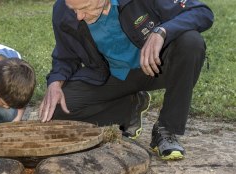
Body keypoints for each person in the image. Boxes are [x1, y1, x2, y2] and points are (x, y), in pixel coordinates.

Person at [39, 0, 214, 160]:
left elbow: (202, 12)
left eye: (84, 8)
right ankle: (129, 107)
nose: (78, 16)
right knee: (56, 111)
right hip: (114, 76)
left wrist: (162, 32)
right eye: (74, 9)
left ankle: (166, 128)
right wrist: (55, 83)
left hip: (157, 67)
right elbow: (65, 55)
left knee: (191, 42)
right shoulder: (63, 10)